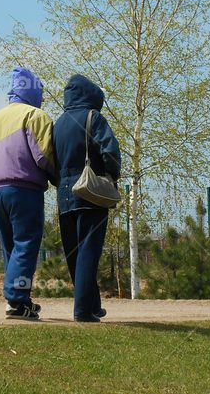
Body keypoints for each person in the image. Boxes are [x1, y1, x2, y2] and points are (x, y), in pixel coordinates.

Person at [0, 66, 57, 320]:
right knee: (27, 244)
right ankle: (17, 301)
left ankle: (18, 297)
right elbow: (44, 155)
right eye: (41, 92)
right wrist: (60, 178)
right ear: (33, 92)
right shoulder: (35, 116)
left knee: (11, 247)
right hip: (24, 188)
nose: (43, 98)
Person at [53, 74, 121, 322]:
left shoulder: (58, 123)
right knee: (89, 251)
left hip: (64, 196)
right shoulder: (94, 117)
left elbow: (50, 161)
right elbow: (110, 151)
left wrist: (59, 181)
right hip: (90, 192)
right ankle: (83, 310)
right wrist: (112, 175)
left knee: (74, 253)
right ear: (92, 94)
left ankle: (92, 305)